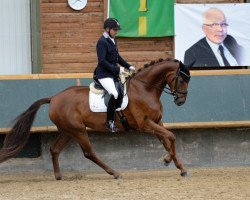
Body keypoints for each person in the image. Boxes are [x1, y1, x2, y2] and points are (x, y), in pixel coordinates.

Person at [94, 18, 135, 132]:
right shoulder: (102, 42)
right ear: (107, 29)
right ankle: (110, 122)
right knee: (114, 93)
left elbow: (117, 57)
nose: (116, 32)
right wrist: (117, 69)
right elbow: (102, 61)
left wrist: (128, 66)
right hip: (104, 74)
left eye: (117, 30)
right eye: (115, 30)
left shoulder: (113, 40)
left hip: (112, 73)